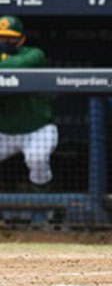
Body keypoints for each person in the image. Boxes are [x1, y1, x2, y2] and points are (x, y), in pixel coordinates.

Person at [0, 15, 58, 226]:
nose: (5, 42)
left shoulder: (34, 54)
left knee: (37, 158)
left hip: (38, 129)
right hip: (4, 131)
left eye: (10, 38)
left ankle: (41, 213)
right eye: (1, 37)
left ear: (22, 39)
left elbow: (17, 65)